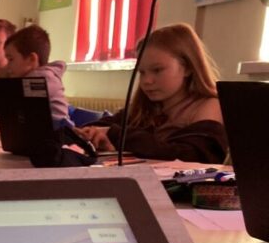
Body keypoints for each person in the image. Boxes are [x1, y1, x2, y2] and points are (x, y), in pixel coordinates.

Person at [76, 23, 226, 164]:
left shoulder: (209, 105)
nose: (146, 81)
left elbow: (193, 157)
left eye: (157, 70)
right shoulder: (147, 107)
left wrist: (116, 135)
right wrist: (92, 133)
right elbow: (102, 126)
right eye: (142, 72)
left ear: (187, 68)